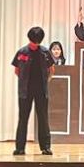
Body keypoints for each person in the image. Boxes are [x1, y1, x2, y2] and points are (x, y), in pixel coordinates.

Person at [11, 27, 55, 155]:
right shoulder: (22, 52)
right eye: (33, 41)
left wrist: (46, 81)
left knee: (43, 118)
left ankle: (45, 147)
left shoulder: (45, 52)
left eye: (37, 42)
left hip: (41, 90)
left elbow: (51, 69)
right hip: (25, 91)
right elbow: (17, 70)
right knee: (23, 118)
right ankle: (20, 148)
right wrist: (24, 82)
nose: (35, 44)